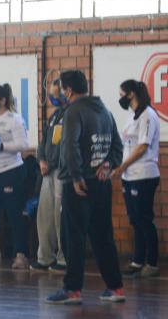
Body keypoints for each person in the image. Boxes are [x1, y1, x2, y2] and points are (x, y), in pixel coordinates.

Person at [47, 70, 125, 305]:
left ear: (68, 90)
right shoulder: (105, 111)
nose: (60, 93)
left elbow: (70, 146)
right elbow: (117, 147)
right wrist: (109, 164)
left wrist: (76, 176)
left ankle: (72, 290)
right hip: (102, 184)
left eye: (61, 89)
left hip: (78, 184)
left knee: (73, 238)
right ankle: (116, 288)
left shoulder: (73, 112)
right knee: (103, 237)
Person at [113, 80, 160, 279]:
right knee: (135, 220)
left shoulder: (148, 115)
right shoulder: (132, 117)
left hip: (144, 175)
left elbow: (142, 147)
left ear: (131, 94)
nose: (120, 98)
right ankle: (137, 260)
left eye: (122, 93)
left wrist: (122, 166)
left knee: (144, 220)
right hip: (129, 176)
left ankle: (152, 263)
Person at [0, 84, 30, 270]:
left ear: (2, 101)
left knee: (14, 215)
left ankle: (21, 256)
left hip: (12, 171)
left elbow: (23, 145)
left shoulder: (15, 119)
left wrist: (0, 146)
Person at [31, 79, 68, 274]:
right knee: (44, 215)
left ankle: (63, 258)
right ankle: (45, 256)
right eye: (52, 96)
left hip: (62, 172)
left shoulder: (72, 114)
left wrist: (51, 163)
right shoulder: (54, 116)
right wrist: (41, 160)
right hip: (48, 172)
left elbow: (66, 146)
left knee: (60, 217)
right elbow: (43, 141)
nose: (54, 99)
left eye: (56, 95)